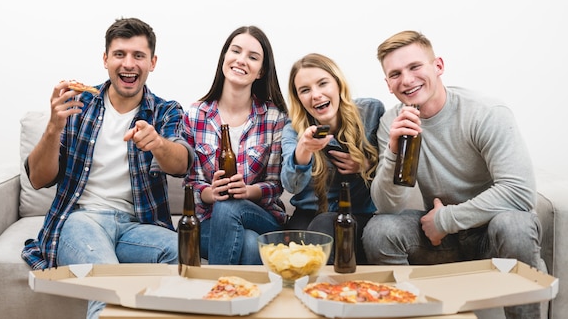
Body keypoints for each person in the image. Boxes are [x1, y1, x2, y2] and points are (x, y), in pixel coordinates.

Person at [363, 30, 544, 318]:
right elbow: (387, 206)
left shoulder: (485, 112)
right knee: (379, 231)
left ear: (438, 66)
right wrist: (394, 152)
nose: (407, 80)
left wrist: (446, 220)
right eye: (395, 74)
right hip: (438, 241)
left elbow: (519, 192)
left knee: (515, 224)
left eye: (415, 67)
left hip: (489, 234)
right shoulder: (393, 121)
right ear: (388, 84)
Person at [21, 18, 193, 319]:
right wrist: (53, 128)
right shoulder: (78, 104)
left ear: (152, 62)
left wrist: (157, 144)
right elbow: (37, 179)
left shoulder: (166, 111)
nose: (129, 64)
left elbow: (181, 164)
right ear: (105, 60)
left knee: (185, 256)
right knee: (111, 288)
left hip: (137, 228)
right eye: (120, 54)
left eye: (138, 55)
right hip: (81, 221)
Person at [183, 25, 289, 265]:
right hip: (209, 223)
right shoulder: (195, 114)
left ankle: (216, 297)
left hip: (262, 218)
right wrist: (212, 193)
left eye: (252, 57)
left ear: (261, 71)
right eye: (236, 51)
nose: (242, 60)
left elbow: (275, 185)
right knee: (250, 243)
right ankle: (237, 298)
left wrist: (248, 192)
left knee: (229, 208)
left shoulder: (274, 117)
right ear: (224, 58)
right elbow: (192, 183)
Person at [281, 53, 384, 264]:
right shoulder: (293, 131)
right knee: (291, 248)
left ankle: (326, 294)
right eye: (305, 90)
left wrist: (366, 165)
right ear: (298, 98)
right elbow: (291, 185)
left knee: (324, 225)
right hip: (308, 216)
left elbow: (391, 166)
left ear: (337, 84)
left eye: (322, 84)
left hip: (355, 218)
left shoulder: (371, 112)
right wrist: (304, 150)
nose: (316, 95)